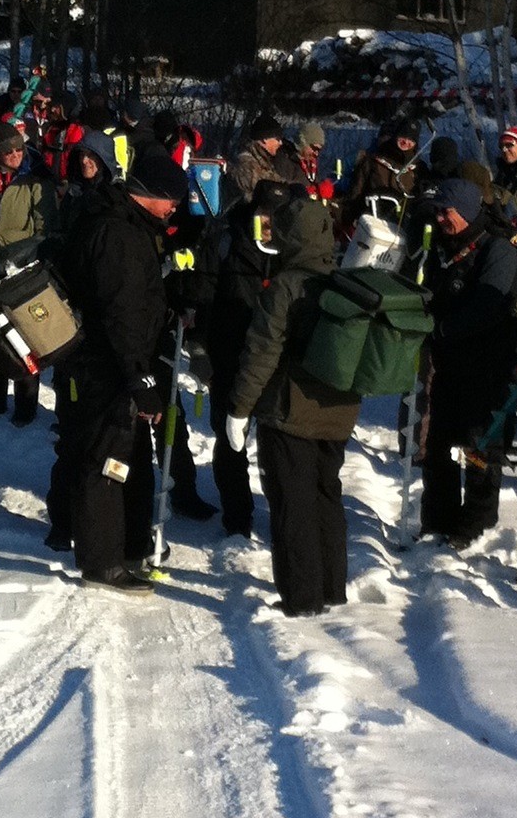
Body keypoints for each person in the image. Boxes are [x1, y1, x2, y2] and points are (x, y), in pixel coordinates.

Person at [51, 143, 186, 598]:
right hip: (101, 366)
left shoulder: (125, 227)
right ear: (149, 194)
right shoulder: (119, 236)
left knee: (120, 460)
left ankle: (125, 546)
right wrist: (140, 378)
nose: (174, 209)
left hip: (109, 363)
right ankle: (101, 562)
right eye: (172, 199)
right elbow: (121, 314)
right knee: (104, 463)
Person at [223, 195, 355, 617]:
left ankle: (301, 598)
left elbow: (261, 351)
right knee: (326, 496)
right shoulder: (344, 281)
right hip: (338, 412)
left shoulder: (285, 286)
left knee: (291, 503)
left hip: (291, 412)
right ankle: (333, 588)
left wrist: (239, 408)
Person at [191, 161, 302, 537]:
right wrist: (199, 346)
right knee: (229, 438)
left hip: (278, 360)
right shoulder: (226, 239)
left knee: (278, 445)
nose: (268, 224)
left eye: (276, 217)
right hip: (229, 353)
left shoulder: (294, 249)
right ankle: (237, 519)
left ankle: (284, 517)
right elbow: (203, 294)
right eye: (263, 215)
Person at [419, 179, 517, 544]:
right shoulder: (444, 247)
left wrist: (443, 328)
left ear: (465, 210)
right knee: (437, 445)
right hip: (449, 363)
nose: (440, 218)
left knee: (479, 448)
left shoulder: (497, 249)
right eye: (438, 212)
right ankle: (437, 519)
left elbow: (488, 306)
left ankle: (475, 522)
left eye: (447, 211)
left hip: (487, 366)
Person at [0, 126, 55, 424]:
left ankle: (26, 406)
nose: (15, 156)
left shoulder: (35, 182)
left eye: (19, 150)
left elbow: (44, 230)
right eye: (9, 151)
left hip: (22, 268)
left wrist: (22, 256)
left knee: (23, 338)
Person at [228, 112, 293, 203]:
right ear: (265, 139)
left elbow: (278, 182)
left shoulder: (265, 160)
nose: (280, 143)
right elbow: (264, 190)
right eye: (277, 139)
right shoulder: (246, 163)